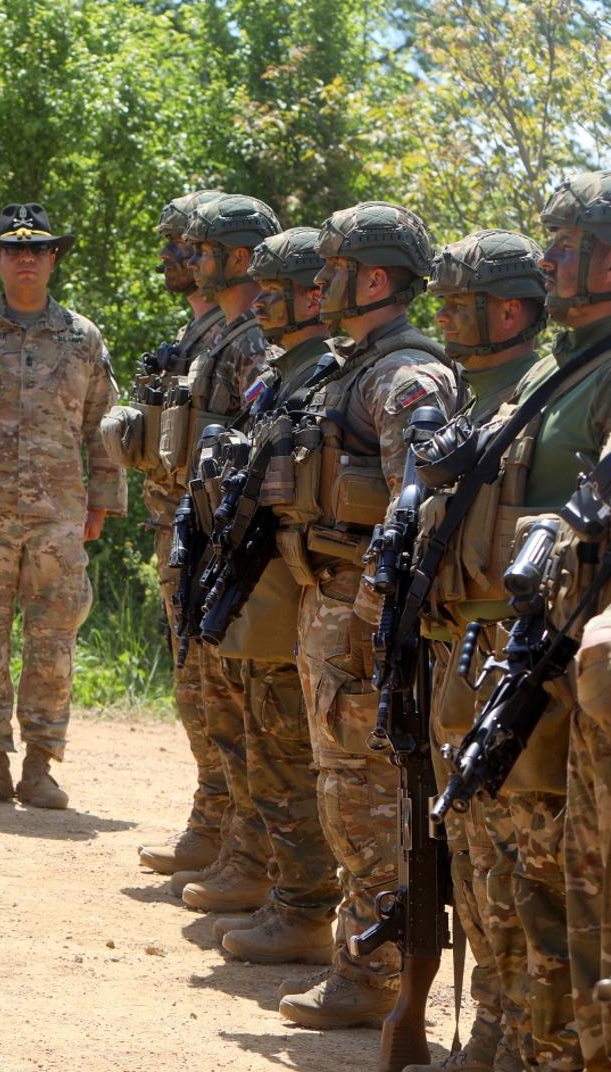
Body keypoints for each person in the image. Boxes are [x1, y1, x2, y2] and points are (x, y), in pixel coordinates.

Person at [402, 228, 588, 1070]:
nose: (442, 317)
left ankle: (528, 1046)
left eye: (460, 304)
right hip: (467, 651)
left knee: (528, 868)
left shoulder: (570, 381)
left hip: (531, 664)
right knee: (478, 859)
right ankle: (495, 1033)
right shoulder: (516, 387)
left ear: (508, 312)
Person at [274, 201, 461, 1030]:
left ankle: (373, 970)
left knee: (367, 795)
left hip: (361, 616)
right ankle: (360, 959)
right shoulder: (353, 367)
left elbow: (413, 520)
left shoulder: (405, 378)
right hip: (330, 600)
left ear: (376, 277)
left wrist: (369, 629)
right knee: (343, 787)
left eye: (335, 268)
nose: (318, 282)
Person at [0, 202, 124, 808]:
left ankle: (40, 764)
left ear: (53, 258)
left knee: (53, 640)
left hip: (59, 514)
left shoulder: (82, 338)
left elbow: (104, 426)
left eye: (38, 249)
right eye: (14, 249)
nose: (26, 258)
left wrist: (103, 502)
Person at [189, 224, 340, 967]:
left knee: (286, 749)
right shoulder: (288, 371)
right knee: (261, 743)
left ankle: (303, 907)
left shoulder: (329, 373)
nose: (261, 302)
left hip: (297, 589)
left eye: (277, 290)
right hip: (261, 583)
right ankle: (275, 884)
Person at [171, 195, 285, 919]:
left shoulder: (250, 343)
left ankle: (248, 853)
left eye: (204, 250)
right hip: (203, 534)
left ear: (237, 257)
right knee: (208, 698)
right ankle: (222, 835)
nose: (189, 259)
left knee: (237, 707)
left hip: (233, 543)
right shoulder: (218, 335)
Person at [117, 190, 234, 875]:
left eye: (185, 244)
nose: (170, 255)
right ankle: (214, 820)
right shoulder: (197, 338)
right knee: (194, 686)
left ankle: (230, 832)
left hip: (214, 541)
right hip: (179, 531)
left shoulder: (238, 340)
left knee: (216, 689)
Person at [530, 168, 611, 1067]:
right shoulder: (563, 366)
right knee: (574, 890)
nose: (547, 261)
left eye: (567, 247)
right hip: (569, 661)